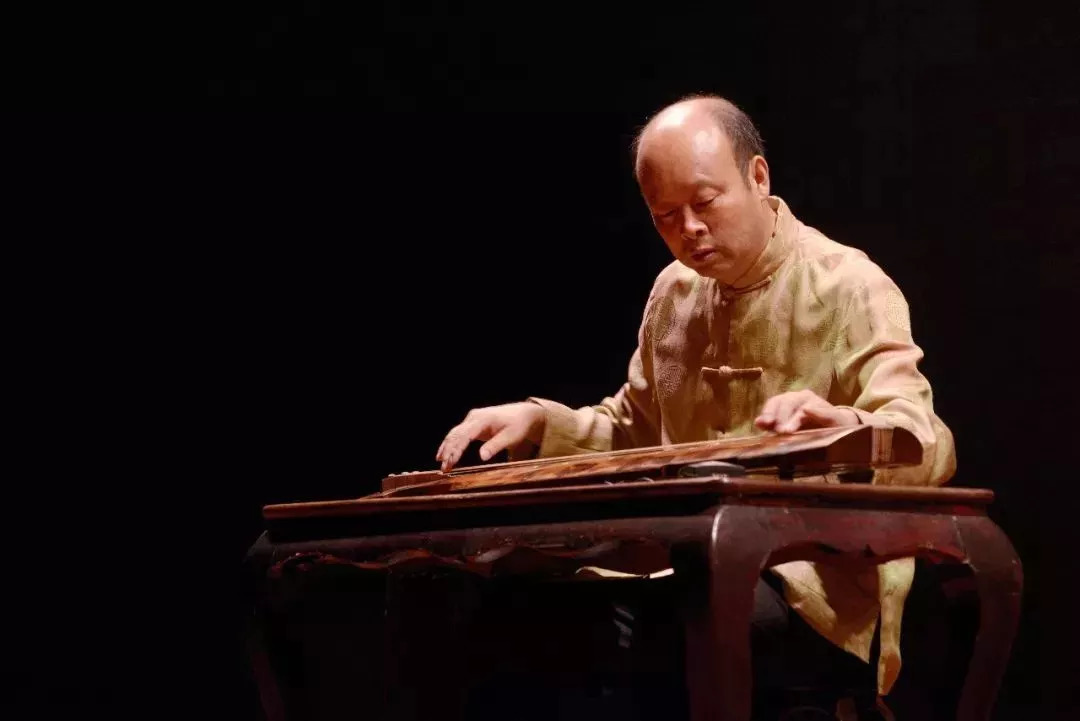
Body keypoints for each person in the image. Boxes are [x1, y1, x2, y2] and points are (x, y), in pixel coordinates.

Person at [436, 95, 957, 719]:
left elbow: (922, 437)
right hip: (679, 564)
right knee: (506, 607)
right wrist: (540, 421)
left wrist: (848, 428)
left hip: (813, 585)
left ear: (757, 176)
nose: (689, 229)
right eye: (665, 215)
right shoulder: (673, 293)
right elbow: (633, 430)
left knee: (671, 625)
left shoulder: (849, 284)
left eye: (705, 202)